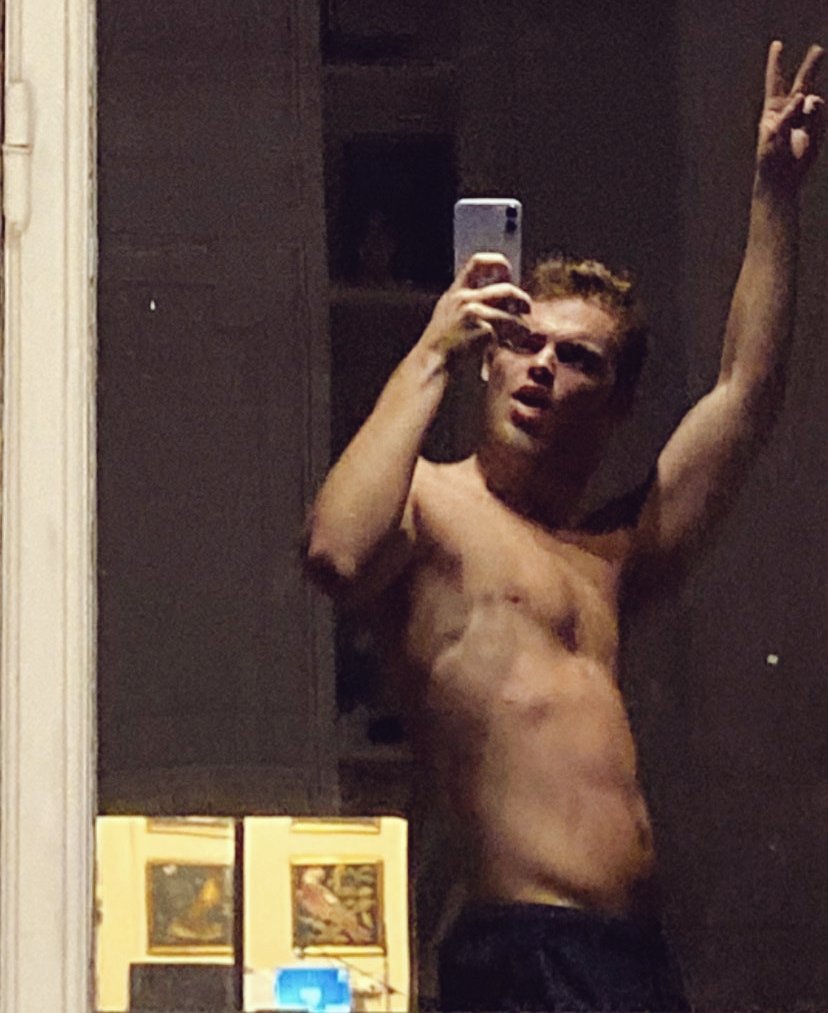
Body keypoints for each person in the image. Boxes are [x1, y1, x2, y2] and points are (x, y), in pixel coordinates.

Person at [303, 40, 824, 1012]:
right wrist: (436, 342)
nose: (541, 365)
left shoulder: (608, 557)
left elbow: (745, 396)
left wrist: (774, 193)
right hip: (526, 950)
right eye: (523, 342)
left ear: (618, 401)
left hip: (630, 955)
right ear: (490, 359)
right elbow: (335, 550)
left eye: (577, 357)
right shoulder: (433, 507)